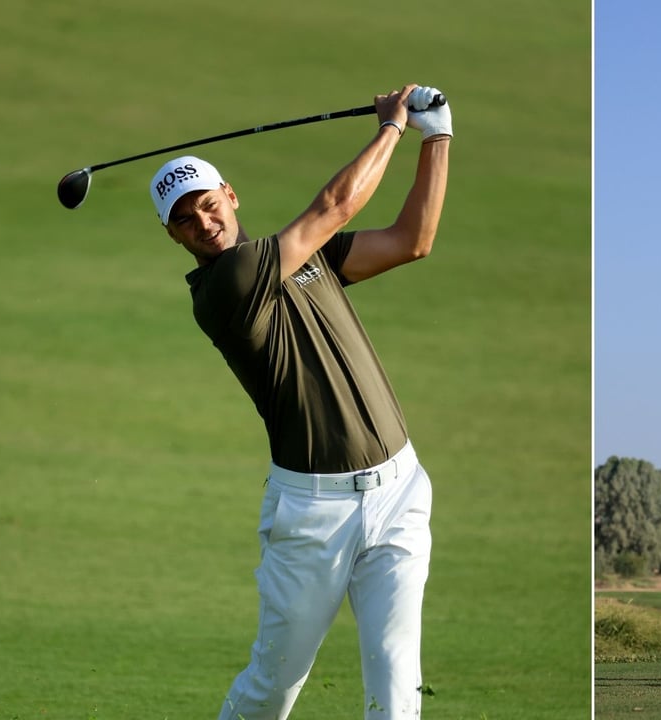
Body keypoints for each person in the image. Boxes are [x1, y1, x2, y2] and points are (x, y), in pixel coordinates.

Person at [148, 84, 451, 718]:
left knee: (397, 690)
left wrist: (437, 138)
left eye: (209, 205)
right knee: (273, 686)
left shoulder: (304, 260)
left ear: (231, 196)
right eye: (185, 219)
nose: (205, 224)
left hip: (399, 491)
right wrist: (393, 126)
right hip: (312, 514)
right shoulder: (224, 288)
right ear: (173, 236)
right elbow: (336, 206)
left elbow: (412, 240)